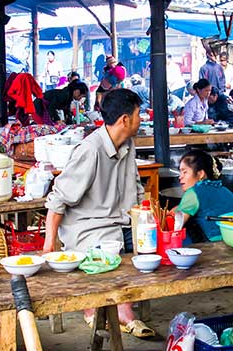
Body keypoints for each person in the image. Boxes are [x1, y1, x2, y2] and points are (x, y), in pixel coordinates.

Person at [42, 89, 152, 338]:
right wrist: (50, 244)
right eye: (138, 114)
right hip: (88, 229)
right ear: (125, 119)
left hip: (121, 223)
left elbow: (136, 189)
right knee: (110, 253)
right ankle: (117, 311)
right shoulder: (90, 150)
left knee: (151, 250)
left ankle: (112, 305)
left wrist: (147, 216)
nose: (141, 119)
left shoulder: (128, 144)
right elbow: (58, 199)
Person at [173, 149, 233, 243]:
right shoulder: (224, 189)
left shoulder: (194, 192)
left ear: (200, 174)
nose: (180, 176)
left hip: (215, 247)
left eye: (185, 172)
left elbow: (175, 227)